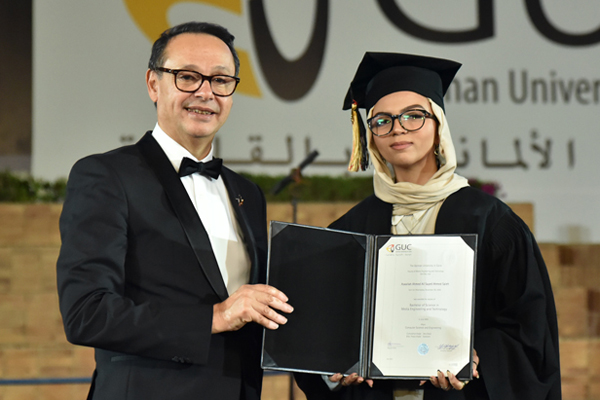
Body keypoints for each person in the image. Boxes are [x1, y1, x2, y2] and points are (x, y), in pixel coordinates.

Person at [294, 53, 561, 400]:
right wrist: (334, 366)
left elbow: (529, 331)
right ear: (370, 135)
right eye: (382, 121)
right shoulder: (350, 230)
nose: (398, 128)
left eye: (414, 116)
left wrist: (476, 357)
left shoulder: (491, 222)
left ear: (439, 125)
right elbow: (322, 332)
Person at [56, 21, 293, 400]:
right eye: (187, 77)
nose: (205, 92)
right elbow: (87, 313)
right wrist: (215, 317)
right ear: (153, 83)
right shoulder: (106, 176)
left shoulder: (247, 193)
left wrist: (335, 365)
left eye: (220, 80)